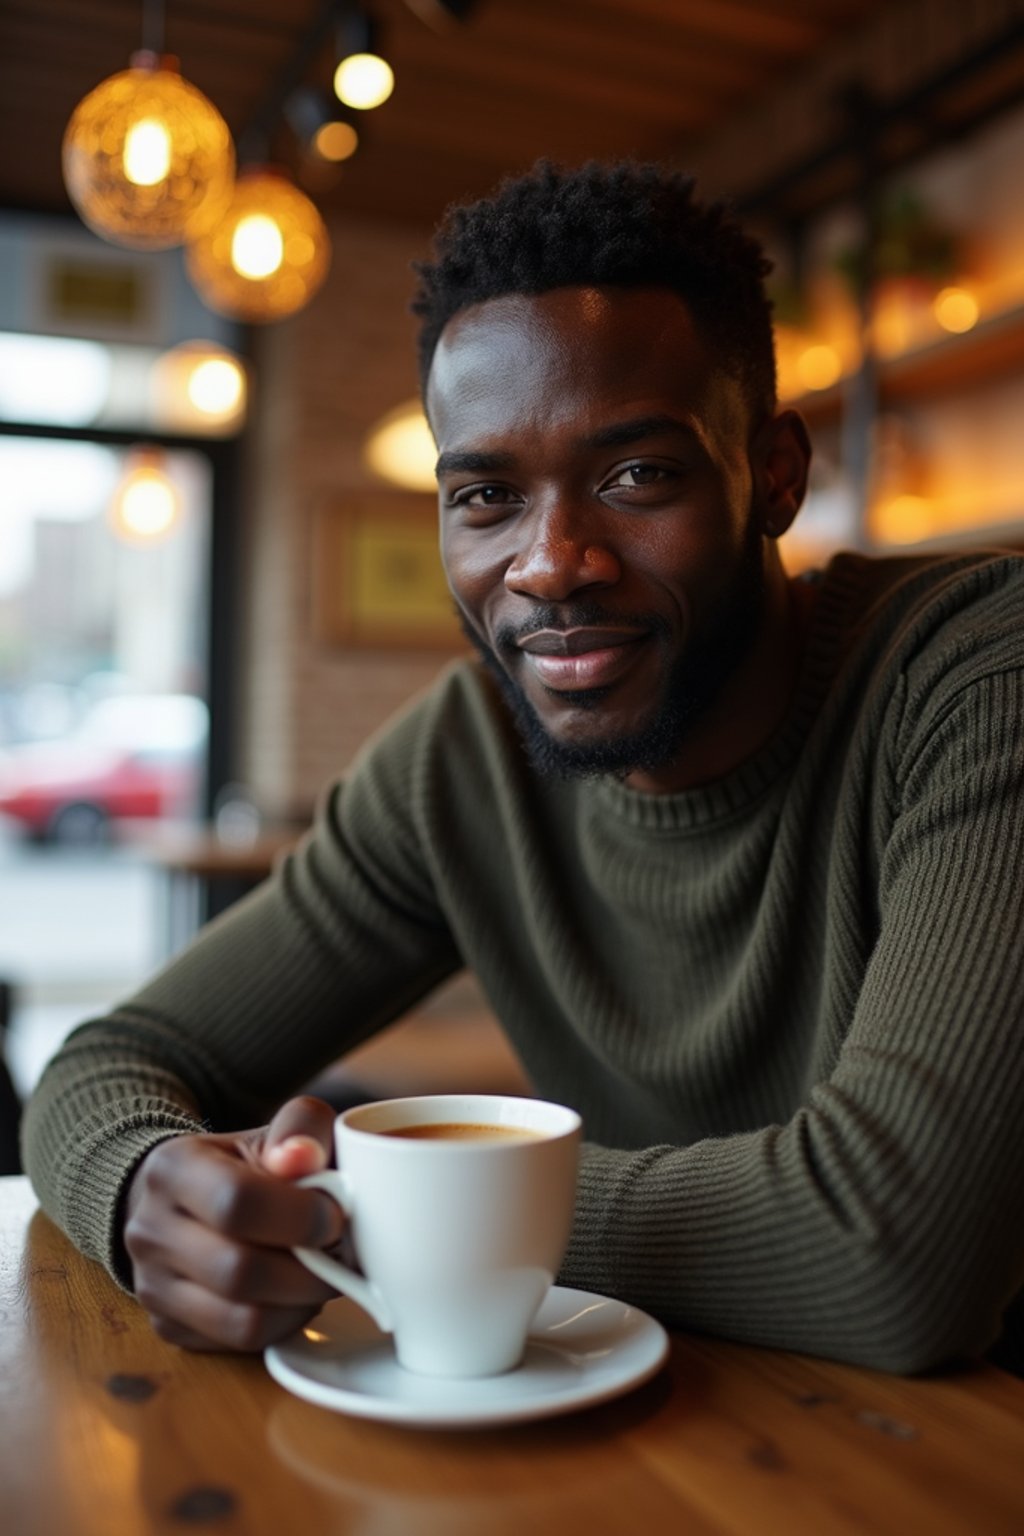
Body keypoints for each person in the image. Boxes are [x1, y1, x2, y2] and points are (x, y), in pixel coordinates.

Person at [22, 161, 1024, 1375]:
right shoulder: (464, 761)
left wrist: (381, 1198)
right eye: (487, 494)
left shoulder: (976, 675)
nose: (550, 563)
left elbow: (896, 1250)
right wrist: (146, 1191)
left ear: (771, 475)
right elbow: (105, 1065)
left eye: (635, 475)